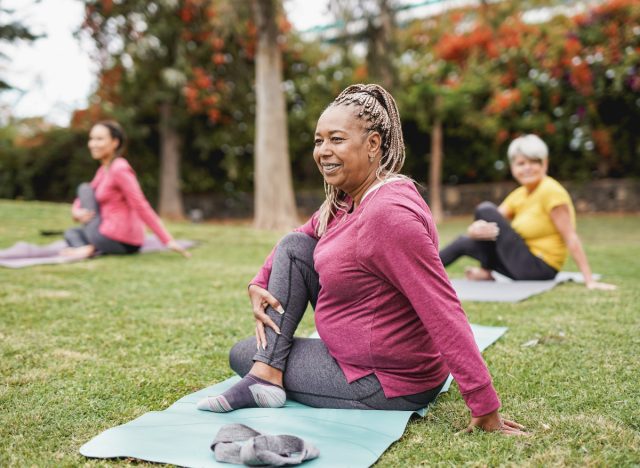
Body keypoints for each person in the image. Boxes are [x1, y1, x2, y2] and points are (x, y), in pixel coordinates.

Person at [197, 84, 525, 435]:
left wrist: (484, 405)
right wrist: (258, 282)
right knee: (294, 247)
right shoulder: (348, 200)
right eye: (318, 141)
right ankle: (267, 374)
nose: (323, 151)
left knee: (242, 353)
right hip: (358, 359)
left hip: (385, 381)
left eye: (336, 139)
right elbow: (299, 238)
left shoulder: (388, 215)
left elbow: (442, 308)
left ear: (372, 145)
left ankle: (265, 374)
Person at [439, 134, 615, 290]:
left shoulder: (551, 191)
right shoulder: (520, 194)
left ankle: (485, 271)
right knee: (464, 241)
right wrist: (474, 230)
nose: (527, 168)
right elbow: (491, 221)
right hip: (519, 263)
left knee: (484, 208)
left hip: (540, 267)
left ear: (544, 163)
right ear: (513, 168)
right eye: (521, 163)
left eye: (534, 162)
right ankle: (420, 275)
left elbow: (570, 236)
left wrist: (589, 281)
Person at [62, 120, 189, 259]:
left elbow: (140, 204)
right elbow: (84, 196)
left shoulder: (119, 168)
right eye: (91, 139)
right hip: (110, 236)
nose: (93, 144)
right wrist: (76, 212)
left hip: (118, 238)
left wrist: (167, 240)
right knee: (71, 233)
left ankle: (90, 248)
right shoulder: (103, 170)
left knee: (83, 188)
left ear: (115, 142)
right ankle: (90, 248)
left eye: (99, 139)